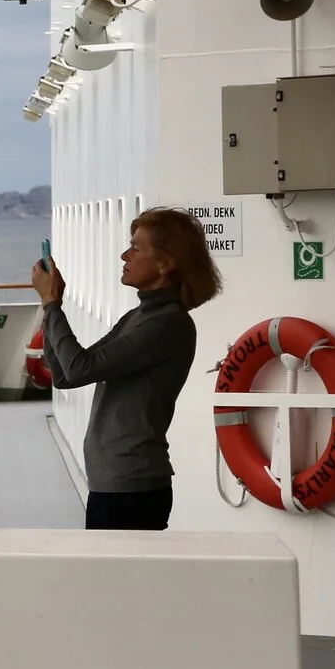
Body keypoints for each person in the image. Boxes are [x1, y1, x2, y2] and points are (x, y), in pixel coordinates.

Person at [30, 207, 220, 530]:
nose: (124, 255)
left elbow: (78, 368)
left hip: (133, 488)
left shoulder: (167, 325)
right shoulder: (139, 318)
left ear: (165, 263)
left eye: (136, 247)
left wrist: (51, 304)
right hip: (114, 484)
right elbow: (64, 376)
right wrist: (50, 309)